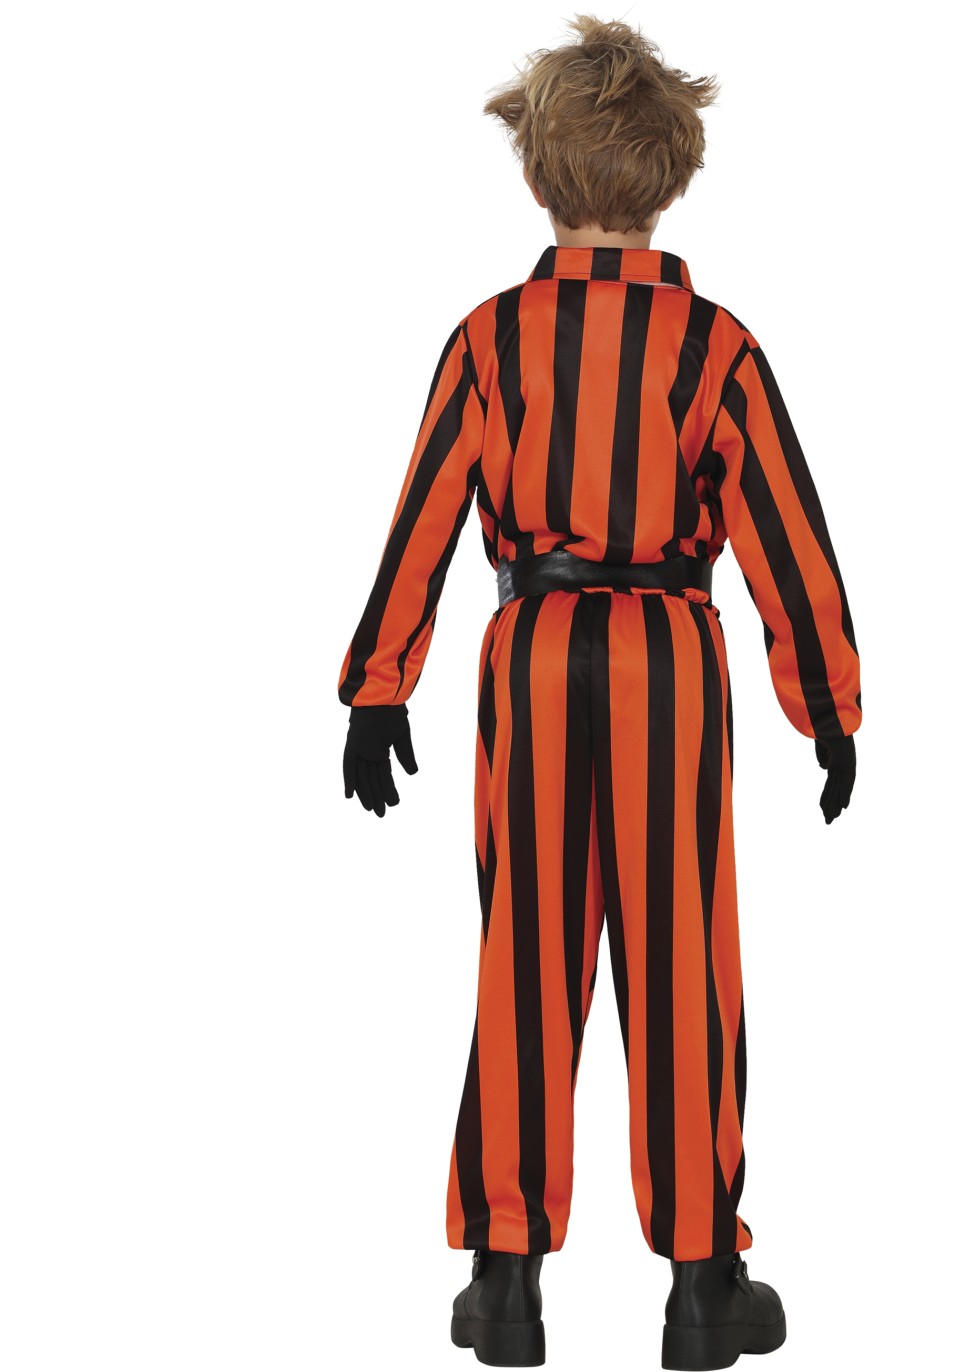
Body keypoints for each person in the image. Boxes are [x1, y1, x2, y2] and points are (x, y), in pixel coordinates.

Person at [336, 14, 862, 1369]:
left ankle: (505, 1281)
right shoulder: (715, 348)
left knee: (526, 951)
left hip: (531, 648)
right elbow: (784, 533)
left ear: (535, 175)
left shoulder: (490, 340)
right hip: (669, 656)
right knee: (683, 958)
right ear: (674, 177)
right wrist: (826, 704)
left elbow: (426, 514)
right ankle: (702, 1282)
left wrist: (379, 686)